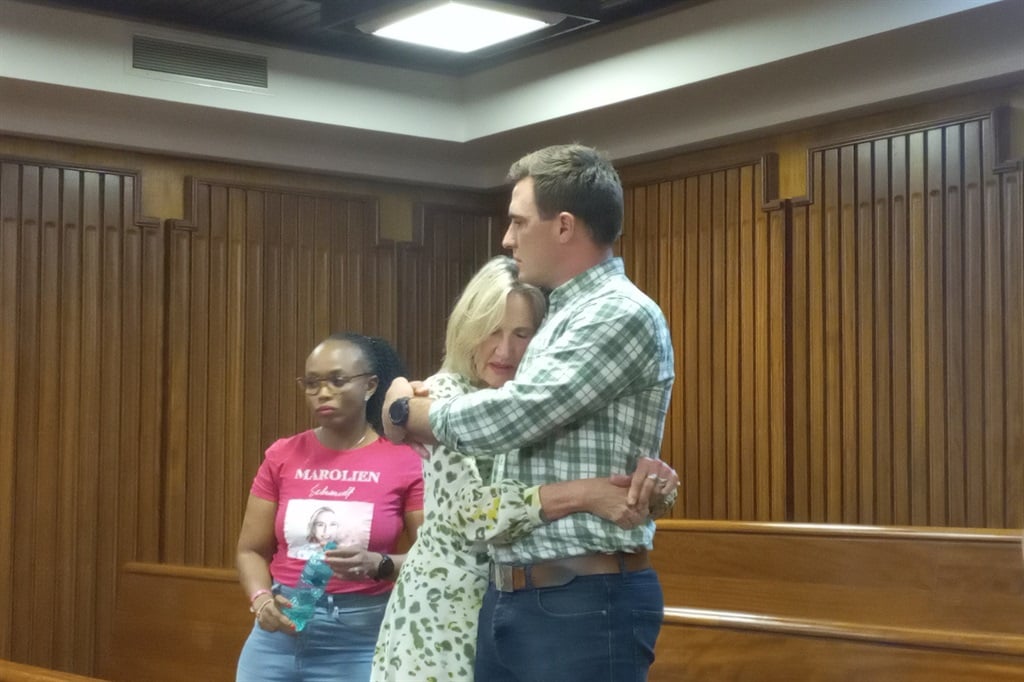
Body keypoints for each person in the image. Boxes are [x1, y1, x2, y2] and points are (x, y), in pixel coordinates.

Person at [383, 143, 676, 681]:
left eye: (518, 222)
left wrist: (416, 414)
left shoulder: (615, 310)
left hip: (581, 598)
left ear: (563, 226)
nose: (507, 238)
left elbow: (519, 414)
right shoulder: (562, 314)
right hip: (513, 591)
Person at [235, 332, 425, 682]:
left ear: (369, 385)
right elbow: (250, 549)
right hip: (278, 632)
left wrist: (380, 564)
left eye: (337, 381)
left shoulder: (405, 461)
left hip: (360, 638)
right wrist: (261, 599)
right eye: (312, 383)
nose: (323, 392)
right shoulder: (282, 455)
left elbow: (431, 556)